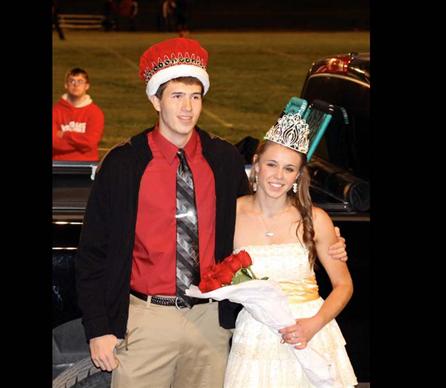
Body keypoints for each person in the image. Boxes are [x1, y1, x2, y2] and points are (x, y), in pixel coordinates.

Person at [75, 37, 348, 388]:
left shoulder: (222, 158)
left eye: (195, 96)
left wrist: (324, 236)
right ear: (154, 100)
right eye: (176, 96)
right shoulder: (124, 163)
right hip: (146, 318)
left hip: (210, 321)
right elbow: (92, 252)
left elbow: (259, 211)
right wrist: (98, 328)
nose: (187, 108)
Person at [224, 112, 358, 387]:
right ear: (257, 166)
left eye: (289, 169)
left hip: (313, 332)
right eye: (272, 164)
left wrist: (314, 323)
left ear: (298, 175)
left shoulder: (315, 218)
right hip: (257, 337)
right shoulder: (230, 215)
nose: (278, 176)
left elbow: (343, 285)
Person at [52, 68, 105, 161]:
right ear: (66, 85)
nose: (75, 85)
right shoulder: (55, 111)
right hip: (59, 164)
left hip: (87, 163)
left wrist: (64, 135)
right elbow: (54, 142)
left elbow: (91, 142)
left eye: (80, 81)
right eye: (72, 81)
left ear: (87, 86)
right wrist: (81, 142)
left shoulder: (95, 112)